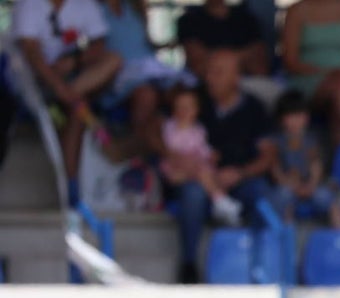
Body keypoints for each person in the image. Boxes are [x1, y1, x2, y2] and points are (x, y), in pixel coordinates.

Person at [172, 50, 273, 284]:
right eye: (208, 72)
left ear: (236, 77)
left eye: (218, 72)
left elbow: (269, 156)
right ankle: (189, 266)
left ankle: (258, 263)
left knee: (262, 193)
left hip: (241, 180)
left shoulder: (254, 108)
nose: (210, 78)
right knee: (191, 194)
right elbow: (160, 128)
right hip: (202, 180)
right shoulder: (195, 102)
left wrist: (240, 173)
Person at [13, 0, 122, 203]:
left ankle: (71, 185)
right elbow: (32, 54)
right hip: (35, 84)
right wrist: (56, 85)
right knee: (78, 108)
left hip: (73, 84)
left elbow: (99, 45)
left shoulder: (85, 5)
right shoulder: (28, 4)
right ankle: (72, 183)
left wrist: (74, 62)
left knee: (112, 61)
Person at [99, 0, 189, 158]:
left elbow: (145, 43)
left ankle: (185, 143)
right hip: (119, 72)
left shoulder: (134, 7)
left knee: (181, 90)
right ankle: (139, 150)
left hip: (151, 67)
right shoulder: (97, 10)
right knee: (146, 95)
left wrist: (168, 44)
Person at [281, 0, 340, 144]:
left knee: (339, 106)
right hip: (309, 78)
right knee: (339, 91)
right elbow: (290, 60)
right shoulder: (296, 11)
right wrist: (324, 73)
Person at [159, 84, 242, 226]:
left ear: (196, 111)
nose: (183, 111)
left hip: (196, 169)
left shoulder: (199, 130)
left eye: (188, 107)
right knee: (201, 174)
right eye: (180, 107)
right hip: (176, 168)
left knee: (209, 174)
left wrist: (210, 155)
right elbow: (170, 148)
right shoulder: (169, 126)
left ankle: (220, 204)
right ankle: (220, 201)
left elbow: (203, 148)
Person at [267, 89, 340, 226]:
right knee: (283, 198)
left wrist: (311, 184)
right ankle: (287, 239)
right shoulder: (276, 141)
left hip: (310, 185)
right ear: (281, 119)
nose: (296, 120)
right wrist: (289, 183)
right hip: (287, 185)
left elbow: (316, 164)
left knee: (329, 199)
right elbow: (275, 167)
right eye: (290, 116)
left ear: (306, 117)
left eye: (300, 115)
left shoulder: (312, 140)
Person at [176, 0, 269, 81]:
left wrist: (213, 59)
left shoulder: (247, 19)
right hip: (203, 85)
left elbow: (259, 62)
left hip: (246, 83)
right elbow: (197, 63)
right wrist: (242, 57)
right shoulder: (189, 21)